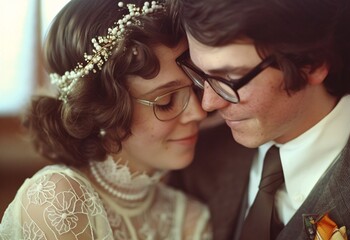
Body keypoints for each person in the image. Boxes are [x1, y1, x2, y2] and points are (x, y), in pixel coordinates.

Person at [0, 0, 212, 239]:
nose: (198, 112)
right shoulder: (59, 201)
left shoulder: (189, 218)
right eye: (166, 101)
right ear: (102, 108)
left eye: (196, 89)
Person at [168, 0, 350, 239]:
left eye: (230, 77)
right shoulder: (196, 162)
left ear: (312, 64)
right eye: (200, 73)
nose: (208, 103)